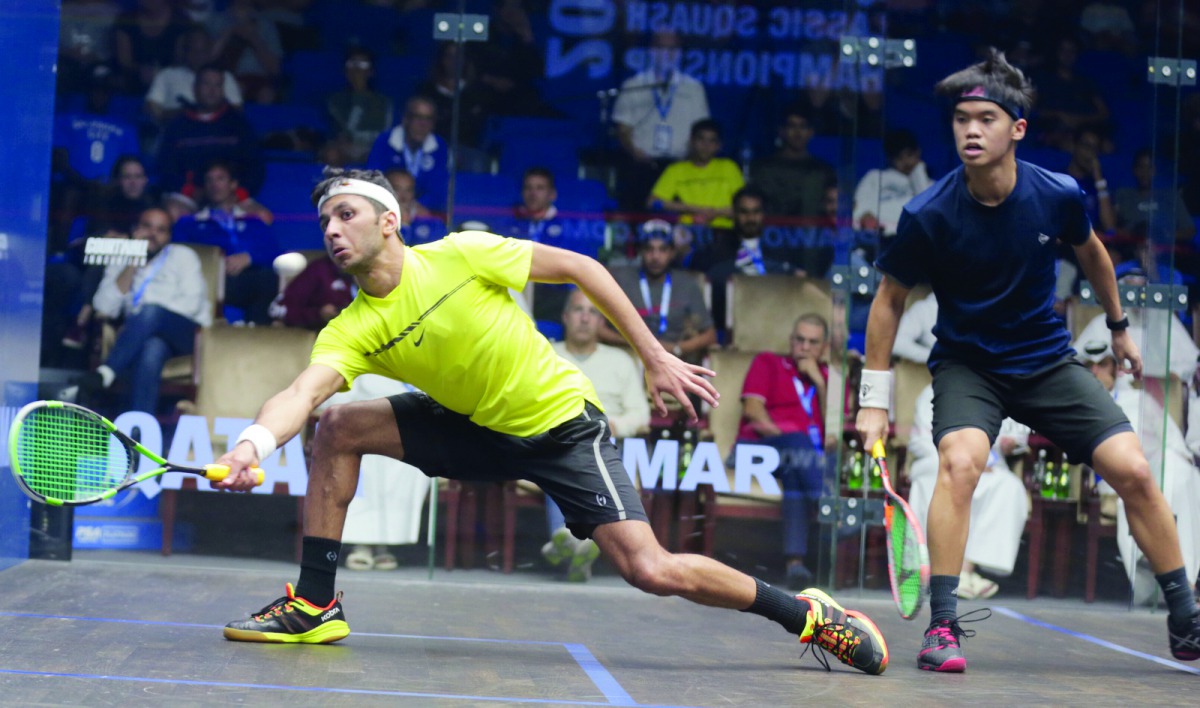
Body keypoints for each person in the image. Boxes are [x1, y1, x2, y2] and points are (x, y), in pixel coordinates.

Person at [212, 167, 887, 676]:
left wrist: (653, 355)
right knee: (335, 425)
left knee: (650, 570)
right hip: (470, 425)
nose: (332, 230)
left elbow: (580, 267)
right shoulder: (352, 328)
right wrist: (253, 442)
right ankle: (315, 604)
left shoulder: (461, 254)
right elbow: (301, 391)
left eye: (346, 214)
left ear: (388, 222)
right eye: (325, 221)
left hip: (560, 427)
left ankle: (808, 615)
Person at [855, 48, 1200, 672]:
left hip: (1044, 360)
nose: (971, 131)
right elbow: (888, 301)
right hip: (968, 366)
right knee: (959, 464)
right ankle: (943, 629)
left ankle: (1185, 617)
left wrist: (1119, 327)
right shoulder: (927, 213)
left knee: (1136, 470)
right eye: (962, 120)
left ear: (1016, 129)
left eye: (986, 118)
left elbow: (1093, 254)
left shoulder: (1057, 194)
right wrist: (873, 402)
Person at [1078, 339, 1200, 603]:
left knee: (1184, 474)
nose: (1097, 372)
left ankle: (1186, 582)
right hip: (1116, 479)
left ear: (1114, 368)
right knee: (1162, 478)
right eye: (1091, 367)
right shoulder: (1081, 406)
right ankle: (1170, 578)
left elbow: (1173, 441)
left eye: (1102, 365)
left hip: (1164, 475)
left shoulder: (1139, 399)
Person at [543, 288, 651, 581]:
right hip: (558, 439)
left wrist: (614, 424)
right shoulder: (546, 355)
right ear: (565, 317)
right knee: (564, 455)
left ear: (602, 322)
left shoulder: (620, 361)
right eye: (579, 310)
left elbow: (641, 414)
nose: (585, 318)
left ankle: (566, 542)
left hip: (609, 442)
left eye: (593, 312)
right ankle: (580, 549)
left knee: (579, 460)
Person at [77, 206, 211, 414]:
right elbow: (104, 307)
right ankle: (139, 432)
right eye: (147, 227)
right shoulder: (123, 258)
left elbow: (191, 305)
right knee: (152, 349)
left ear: (168, 237)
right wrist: (133, 262)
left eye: (160, 230)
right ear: (135, 229)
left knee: (151, 312)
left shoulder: (184, 256)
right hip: (142, 336)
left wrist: (146, 318)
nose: (152, 234)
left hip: (186, 333)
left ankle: (107, 371)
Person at [907, 384, 1030, 599]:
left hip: (988, 467)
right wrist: (958, 460)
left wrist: (1006, 445)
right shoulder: (932, 391)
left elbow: (1009, 436)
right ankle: (940, 574)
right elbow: (920, 441)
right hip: (938, 463)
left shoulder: (998, 388)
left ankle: (966, 569)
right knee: (942, 483)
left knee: (1009, 487)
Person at [737, 313, 830, 589]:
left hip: (801, 461)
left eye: (813, 342)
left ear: (823, 348)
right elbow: (754, 413)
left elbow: (835, 429)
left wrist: (821, 385)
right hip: (758, 449)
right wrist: (793, 441)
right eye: (799, 339)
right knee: (797, 446)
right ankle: (828, 508)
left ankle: (795, 565)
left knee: (794, 473)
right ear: (790, 341)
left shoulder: (828, 377)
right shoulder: (768, 362)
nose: (804, 347)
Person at [611, 29, 709, 212]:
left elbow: (701, 131)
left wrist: (689, 156)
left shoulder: (694, 88)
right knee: (637, 217)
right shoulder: (634, 85)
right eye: (662, 48)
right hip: (641, 166)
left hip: (680, 166)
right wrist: (635, 152)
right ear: (651, 51)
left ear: (680, 53)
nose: (667, 54)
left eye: (673, 49)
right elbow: (623, 128)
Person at [172, 160, 280, 324]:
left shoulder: (253, 222)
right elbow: (178, 256)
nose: (215, 185)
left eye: (220, 179)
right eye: (210, 180)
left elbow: (275, 253)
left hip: (250, 278)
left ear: (233, 184)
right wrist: (217, 262)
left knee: (270, 278)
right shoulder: (189, 223)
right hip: (210, 280)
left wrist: (249, 258)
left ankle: (255, 332)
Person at [600, 220, 716, 367]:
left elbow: (710, 336)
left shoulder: (687, 284)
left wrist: (676, 348)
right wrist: (638, 344)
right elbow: (598, 329)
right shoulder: (621, 279)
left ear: (672, 252)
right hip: (626, 357)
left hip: (672, 359)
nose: (655, 256)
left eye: (662, 249)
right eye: (649, 249)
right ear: (640, 251)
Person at [157, 64, 265, 200]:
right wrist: (190, 192)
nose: (212, 90)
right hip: (188, 197)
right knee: (174, 212)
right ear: (195, 88)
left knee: (261, 216)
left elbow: (255, 167)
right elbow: (166, 168)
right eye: (206, 84)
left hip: (232, 196)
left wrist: (238, 194)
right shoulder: (177, 125)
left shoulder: (238, 124)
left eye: (218, 85)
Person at [647, 119, 744, 230]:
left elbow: (744, 206)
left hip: (724, 231)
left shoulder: (728, 167)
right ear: (692, 141)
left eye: (711, 141)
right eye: (701, 139)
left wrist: (715, 213)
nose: (706, 145)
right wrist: (693, 209)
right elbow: (652, 202)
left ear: (718, 145)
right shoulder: (676, 170)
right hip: (688, 231)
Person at [144, 26, 243, 126]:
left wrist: (204, 112)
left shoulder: (225, 76)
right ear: (185, 51)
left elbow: (236, 110)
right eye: (194, 50)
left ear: (210, 51)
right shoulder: (167, 75)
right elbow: (152, 108)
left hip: (215, 135)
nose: (198, 56)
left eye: (203, 51)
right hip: (177, 132)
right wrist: (186, 113)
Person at [749, 107, 837, 219]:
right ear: (782, 131)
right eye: (792, 126)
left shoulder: (823, 171)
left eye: (803, 126)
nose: (797, 132)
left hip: (813, 233)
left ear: (811, 132)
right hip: (771, 233)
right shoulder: (763, 168)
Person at [366, 95, 449, 212]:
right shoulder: (385, 141)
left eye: (428, 119)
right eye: (418, 117)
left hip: (421, 210)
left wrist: (414, 208)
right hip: (387, 207)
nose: (423, 125)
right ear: (406, 119)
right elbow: (374, 180)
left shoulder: (439, 146)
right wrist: (395, 205)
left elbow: (438, 189)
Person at [853, 129, 934, 237]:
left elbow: (928, 211)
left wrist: (918, 170)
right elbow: (860, 209)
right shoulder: (876, 177)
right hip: (882, 239)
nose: (905, 162)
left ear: (918, 152)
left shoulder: (931, 185)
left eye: (909, 155)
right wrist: (866, 218)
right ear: (890, 158)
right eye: (899, 158)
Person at [322, 47, 394, 167]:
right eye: (352, 63)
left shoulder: (384, 102)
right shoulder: (335, 100)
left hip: (372, 147)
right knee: (331, 154)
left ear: (371, 71)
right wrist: (358, 94)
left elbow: (385, 133)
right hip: (346, 147)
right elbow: (349, 128)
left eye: (363, 65)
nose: (357, 69)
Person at [270, 252, 355, 331]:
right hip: (322, 333)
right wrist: (319, 314)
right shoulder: (319, 270)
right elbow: (278, 310)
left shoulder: (363, 275)